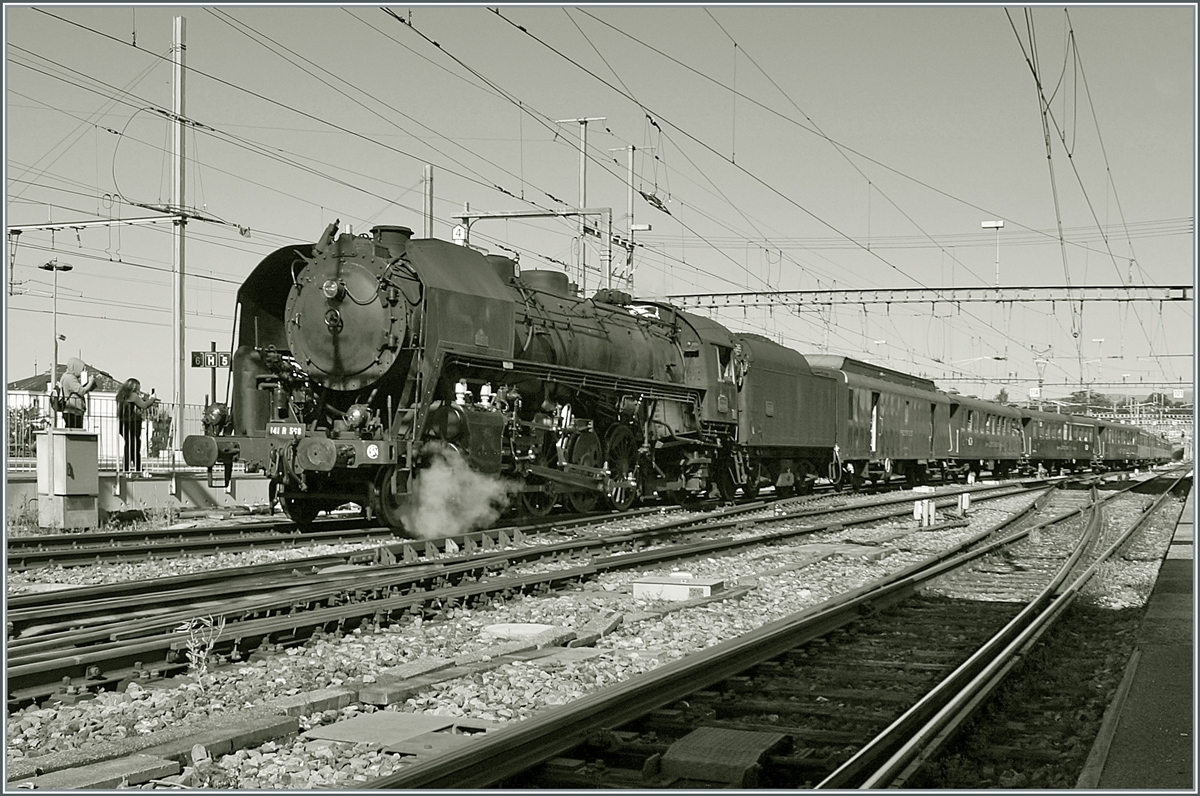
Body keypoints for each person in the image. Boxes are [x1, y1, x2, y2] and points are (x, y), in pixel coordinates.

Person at [115, 378, 159, 475]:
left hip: (123, 423)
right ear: (135, 386)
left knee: (128, 446)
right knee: (135, 446)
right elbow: (144, 405)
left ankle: (128, 467)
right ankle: (137, 468)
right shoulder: (134, 395)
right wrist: (152, 399)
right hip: (133, 423)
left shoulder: (121, 396)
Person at [58, 357, 96, 429]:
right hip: (73, 411)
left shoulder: (66, 376)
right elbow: (81, 391)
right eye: (80, 369)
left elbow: (77, 390)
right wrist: (90, 382)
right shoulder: (70, 378)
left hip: (71, 411)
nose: (81, 371)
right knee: (75, 433)